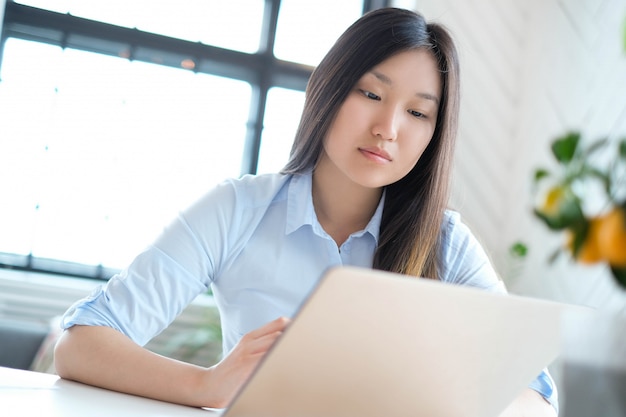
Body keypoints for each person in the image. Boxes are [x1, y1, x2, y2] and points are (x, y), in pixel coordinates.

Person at [54, 7, 558, 416]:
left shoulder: (444, 241)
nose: (388, 127)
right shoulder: (238, 209)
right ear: (330, 89)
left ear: (433, 134)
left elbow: (536, 393)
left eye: (418, 112)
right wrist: (206, 385)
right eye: (371, 93)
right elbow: (81, 344)